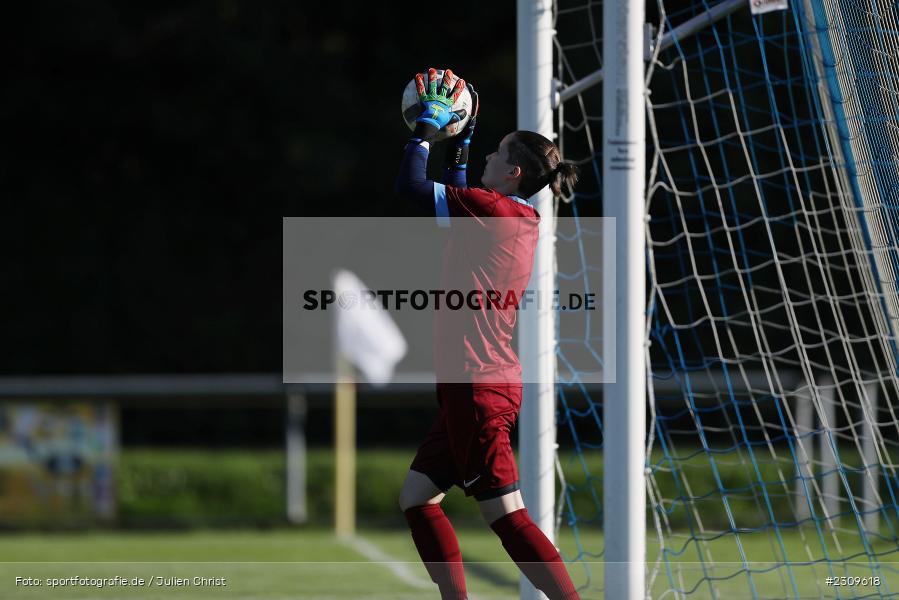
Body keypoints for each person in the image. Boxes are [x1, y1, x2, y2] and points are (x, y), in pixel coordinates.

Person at [395, 68, 580, 600]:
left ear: (514, 171)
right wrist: (462, 146)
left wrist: (426, 132)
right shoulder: (504, 212)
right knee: (417, 497)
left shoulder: (491, 209)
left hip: (478, 387)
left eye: (496, 152)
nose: (487, 158)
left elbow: (409, 186)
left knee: (507, 516)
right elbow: (458, 197)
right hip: (473, 384)